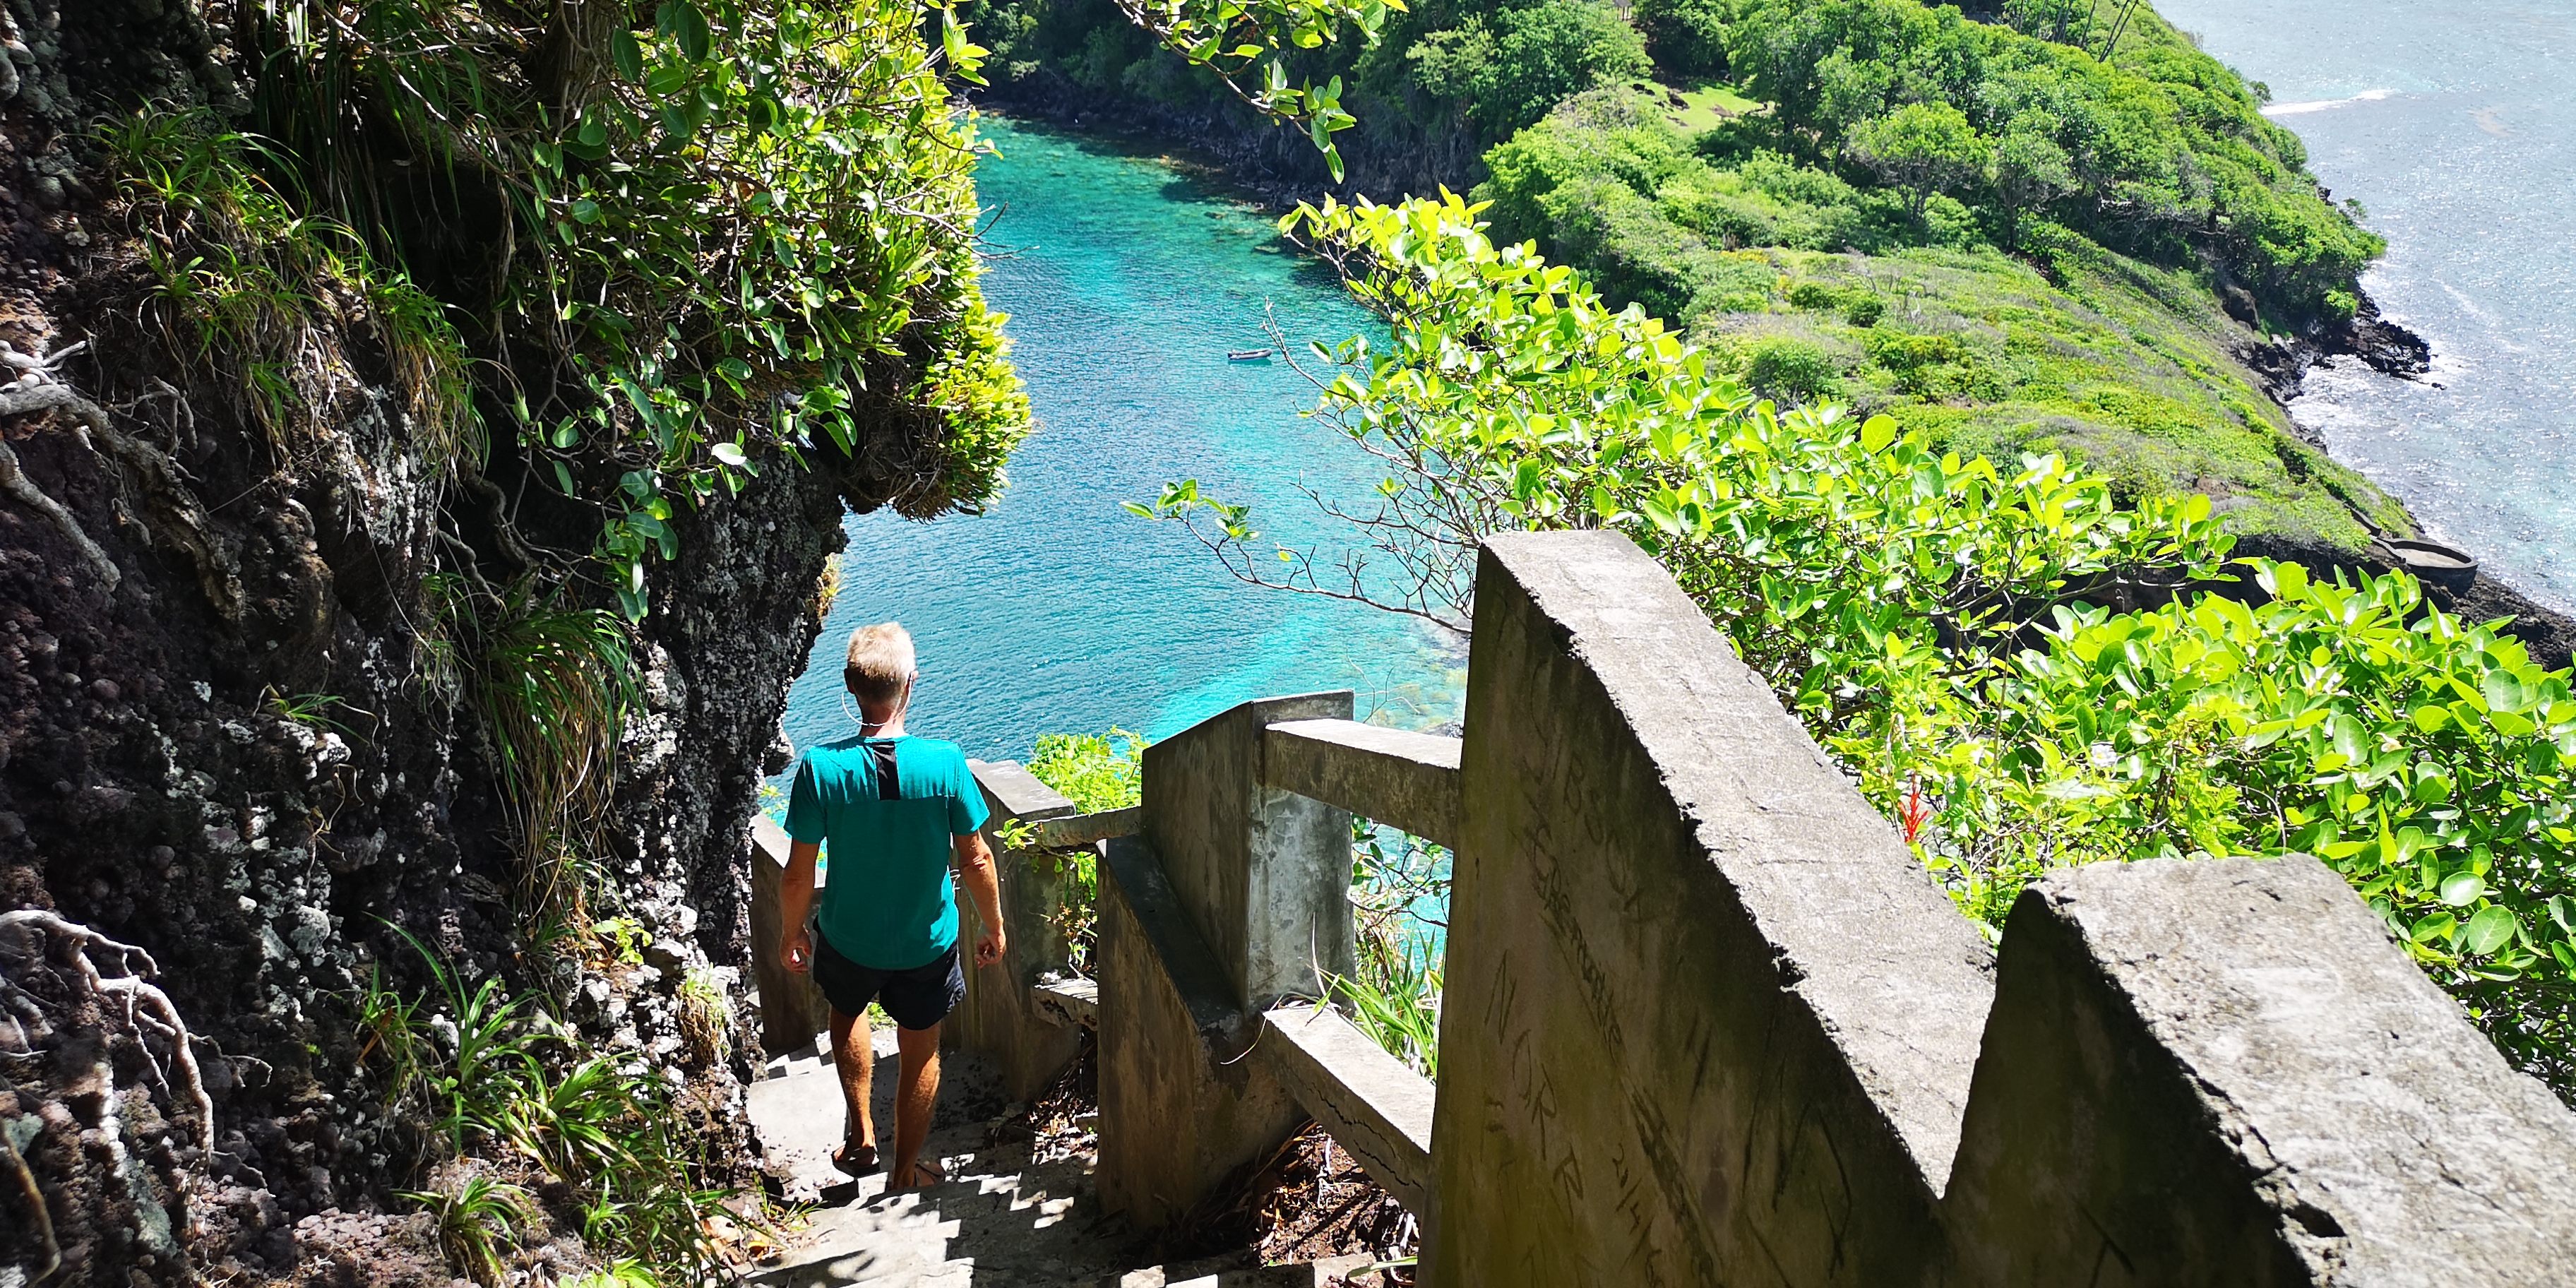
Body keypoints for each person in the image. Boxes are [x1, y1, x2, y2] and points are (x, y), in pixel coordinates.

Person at [779, 621, 1004, 1191]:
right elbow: (977, 858)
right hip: (926, 942)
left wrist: (792, 932)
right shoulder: (945, 763)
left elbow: (799, 872)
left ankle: (861, 1138)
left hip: (848, 936)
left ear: (850, 685)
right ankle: (905, 1173)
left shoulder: (821, 769)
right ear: (911, 684)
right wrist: (993, 925)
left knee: (847, 1010)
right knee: (921, 1046)